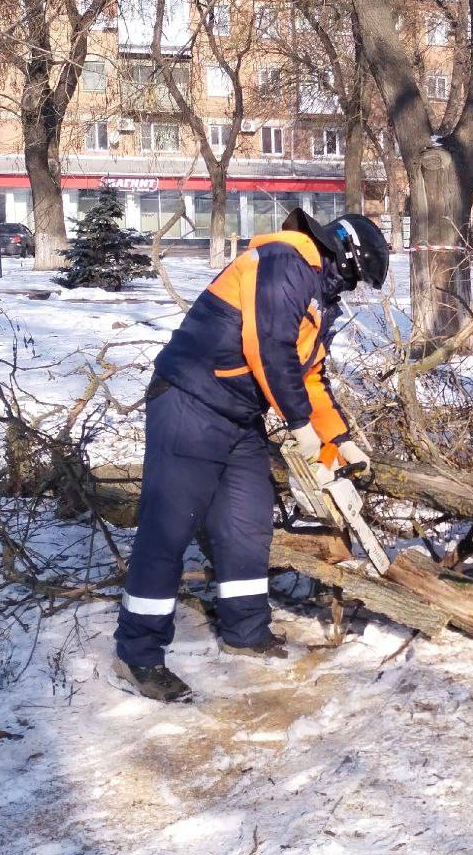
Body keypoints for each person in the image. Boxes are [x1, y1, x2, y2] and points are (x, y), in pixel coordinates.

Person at [113, 208, 390, 702]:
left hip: (240, 415)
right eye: (358, 277)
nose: (354, 289)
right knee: (168, 527)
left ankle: (246, 630)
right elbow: (266, 347)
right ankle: (140, 652)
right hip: (189, 402)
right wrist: (301, 426)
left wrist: (339, 441)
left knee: (246, 522)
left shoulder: (316, 298)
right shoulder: (286, 259)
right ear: (346, 257)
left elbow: (310, 376)